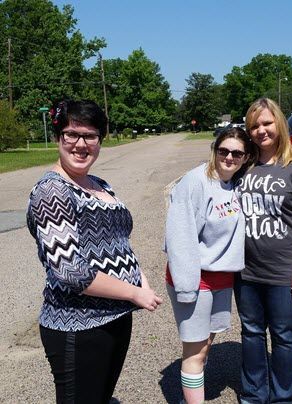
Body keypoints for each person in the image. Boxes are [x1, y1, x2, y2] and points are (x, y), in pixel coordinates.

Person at [26, 99, 162, 404]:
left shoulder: (98, 184)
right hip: (78, 324)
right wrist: (132, 292)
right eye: (71, 134)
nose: (80, 144)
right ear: (58, 137)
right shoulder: (52, 191)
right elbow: (70, 271)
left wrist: (140, 279)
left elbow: (119, 241)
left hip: (114, 316)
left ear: (100, 140)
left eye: (90, 136)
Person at [235, 98, 292, 403]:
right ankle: (253, 395)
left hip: (283, 272)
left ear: (279, 124)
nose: (261, 130)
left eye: (266, 123)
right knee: (251, 333)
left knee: (284, 337)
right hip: (245, 271)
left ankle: (286, 397)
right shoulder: (244, 163)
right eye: (255, 126)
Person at [165, 127, 252, 404]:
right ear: (214, 150)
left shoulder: (235, 184)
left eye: (236, 153)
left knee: (205, 345)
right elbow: (180, 239)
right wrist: (186, 288)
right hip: (194, 277)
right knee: (195, 351)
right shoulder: (195, 182)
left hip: (221, 278)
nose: (229, 157)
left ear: (245, 157)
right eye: (223, 150)